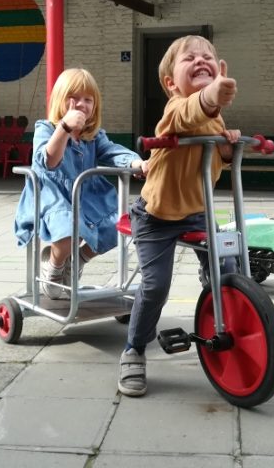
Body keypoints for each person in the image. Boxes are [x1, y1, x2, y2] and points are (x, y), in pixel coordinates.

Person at [119, 35, 240, 397]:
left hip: (197, 212)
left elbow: (221, 160)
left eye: (208, 57)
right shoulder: (175, 109)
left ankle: (224, 320)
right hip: (156, 215)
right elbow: (191, 113)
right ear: (172, 82)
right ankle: (134, 350)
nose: (201, 60)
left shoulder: (215, 121)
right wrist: (210, 97)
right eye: (190, 58)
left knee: (228, 269)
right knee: (156, 286)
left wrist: (228, 145)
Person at [13, 68, 147, 299]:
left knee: (118, 226)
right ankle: (53, 270)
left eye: (87, 99)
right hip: (52, 195)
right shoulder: (46, 128)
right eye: (72, 98)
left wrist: (135, 162)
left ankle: (77, 260)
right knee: (66, 231)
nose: (80, 104)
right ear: (59, 101)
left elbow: (112, 151)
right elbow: (49, 160)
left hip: (85, 195)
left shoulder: (93, 136)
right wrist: (64, 128)